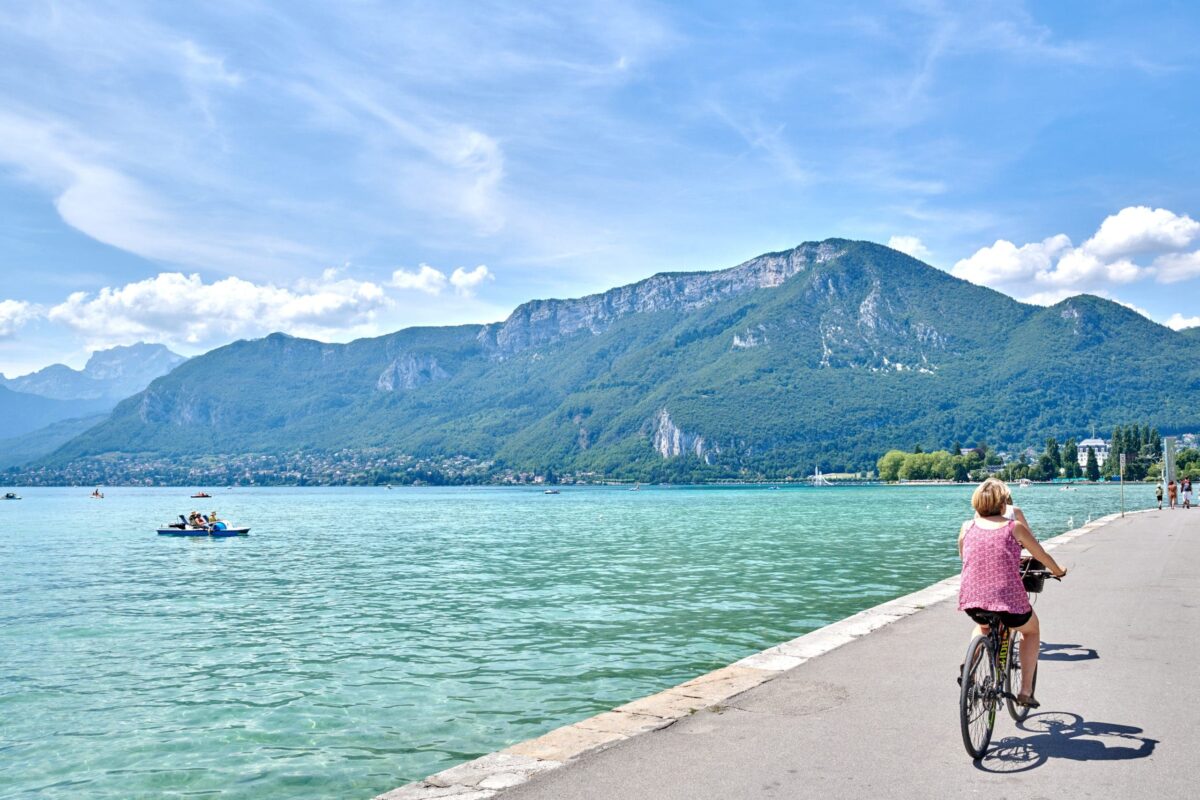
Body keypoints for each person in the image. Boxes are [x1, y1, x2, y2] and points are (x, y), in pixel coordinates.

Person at [958, 478, 1066, 707]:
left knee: (983, 626)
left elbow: (964, 556)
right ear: (1002, 503)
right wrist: (1058, 570)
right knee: (1032, 631)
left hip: (971, 598)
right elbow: (1040, 555)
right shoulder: (1013, 527)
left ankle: (969, 667)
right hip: (1007, 600)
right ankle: (1025, 692)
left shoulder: (967, 527)